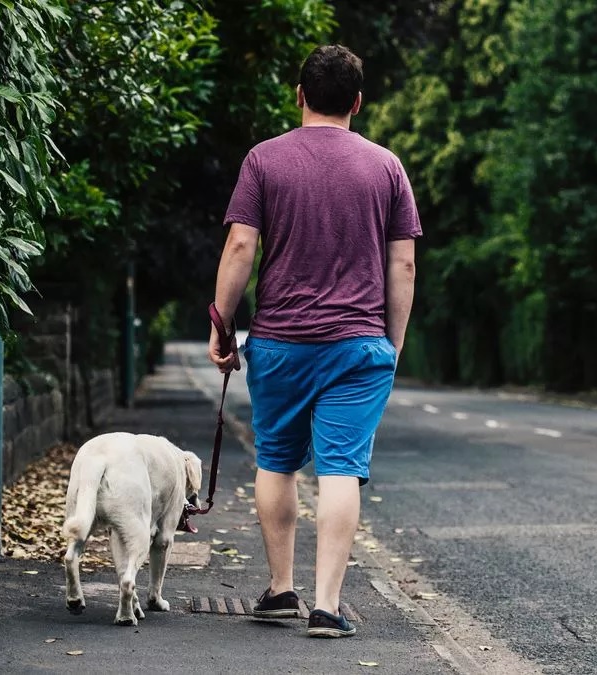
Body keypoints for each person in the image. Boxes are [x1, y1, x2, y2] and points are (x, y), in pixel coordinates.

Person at [208, 44, 421, 639]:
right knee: (341, 470)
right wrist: (392, 345)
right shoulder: (386, 167)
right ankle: (327, 606)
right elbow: (401, 265)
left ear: (298, 95)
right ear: (357, 101)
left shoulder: (263, 161)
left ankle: (280, 591)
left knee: (276, 461)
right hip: (358, 346)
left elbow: (240, 249)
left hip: (279, 343)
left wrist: (222, 327)